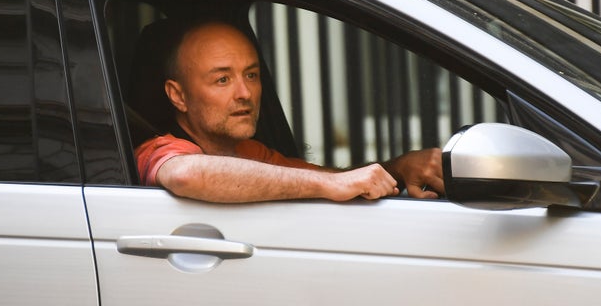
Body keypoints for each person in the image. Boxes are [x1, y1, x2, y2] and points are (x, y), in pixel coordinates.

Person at [135, 19, 444, 203]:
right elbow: (185, 173)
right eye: (222, 79)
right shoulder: (159, 149)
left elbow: (335, 178)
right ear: (178, 96)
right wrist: (330, 186)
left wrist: (397, 169)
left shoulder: (247, 152)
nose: (245, 94)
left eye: (251, 75)